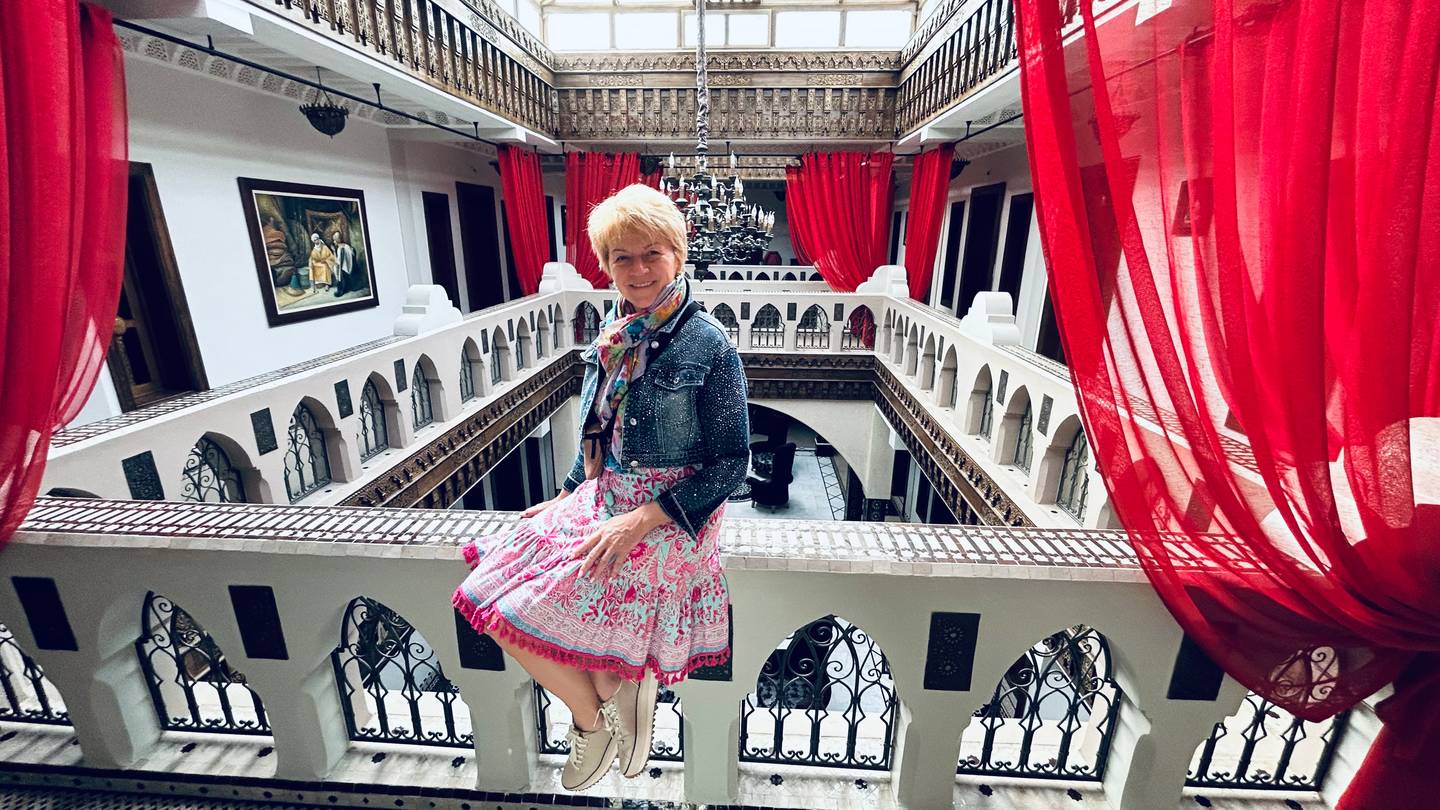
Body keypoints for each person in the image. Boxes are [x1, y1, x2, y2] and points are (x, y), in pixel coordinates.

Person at [452, 184, 748, 792]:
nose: (638, 270)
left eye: (651, 254)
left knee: (524, 610)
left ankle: (613, 705)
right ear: (606, 265)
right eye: (622, 257)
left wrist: (642, 519)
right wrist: (568, 492)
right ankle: (597, 719)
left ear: (678, 253)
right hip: (606, 497)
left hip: (669, 517)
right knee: (486, 595)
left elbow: (731, 465)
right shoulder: (614, 333)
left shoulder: (709, 343)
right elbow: (599, 430)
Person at [331, 230, 356, 296]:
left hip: (343, 269)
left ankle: (341, 290)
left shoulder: (340, 249)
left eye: (334, 240)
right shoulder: (347, 246)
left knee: (335, 269)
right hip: (348, 267)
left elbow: (338, 262)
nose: (334, 242)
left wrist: (334, 251)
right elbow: (353, 253)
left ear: (337, 240)